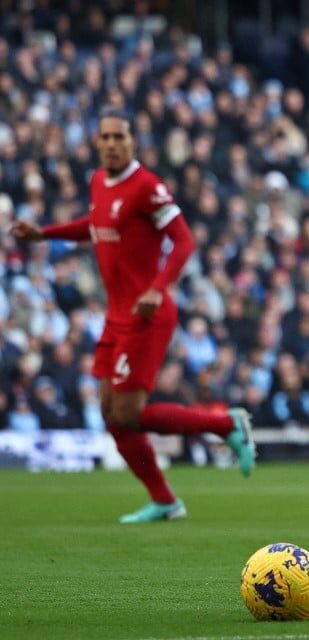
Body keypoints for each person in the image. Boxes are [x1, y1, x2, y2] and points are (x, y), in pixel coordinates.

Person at [11, 107, 256, 524]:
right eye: (104, 137)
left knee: (129, 413)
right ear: (97, 142)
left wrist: (156, 289)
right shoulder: (97, 182)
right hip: (116, 314)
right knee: (112, 413)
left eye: (118, 137)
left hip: (149, 314)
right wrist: (44, 234)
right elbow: (95, 224)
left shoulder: (147, 187)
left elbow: (184, 242)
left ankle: (225, 424)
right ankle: (164, 500)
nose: (110, 144)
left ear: (131, 142)